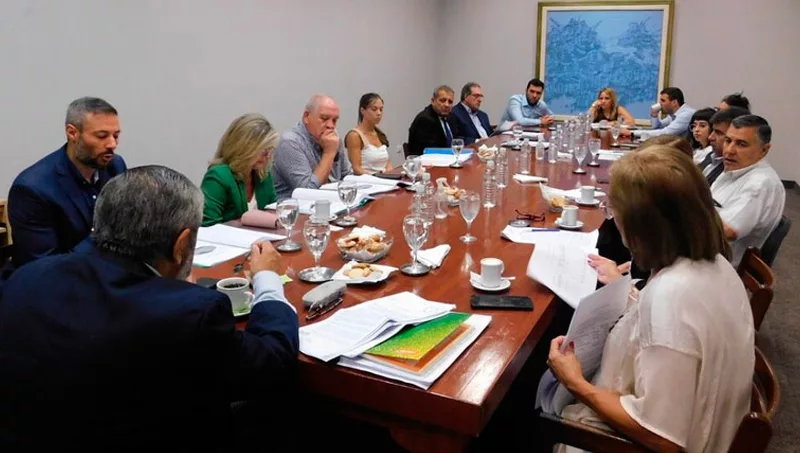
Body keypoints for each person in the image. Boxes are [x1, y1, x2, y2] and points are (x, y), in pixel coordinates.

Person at [0, 166, 299, 451]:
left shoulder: (26, 277)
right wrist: (267, 278)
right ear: (181, 245)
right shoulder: (189, 313)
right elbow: (272, 363)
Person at [548, 147, 754, 453]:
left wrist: (575, 382)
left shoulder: (672, 297)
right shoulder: (716, 264)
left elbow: (662, 437)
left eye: (613, 209)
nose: (612, 217)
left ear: (640, 224)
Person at [6, 97, 126, 272]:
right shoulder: (32, 189)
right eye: (102, 136)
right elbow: (45, 268)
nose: (112, 144)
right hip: (57, 280)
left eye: (116, 135)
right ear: (72, 133)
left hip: (107, 272)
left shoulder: (115, 166)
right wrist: (105, 232)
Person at [712, 115, 785, 266]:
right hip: (707, 253)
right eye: (728, 141)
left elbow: (728, 231)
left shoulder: (760, 184)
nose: (730, 150)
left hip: (720, 266)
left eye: (742, 144)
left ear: (764, 150)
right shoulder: (735, 169)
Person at [200, 113, 279, 226]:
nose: (268, 156)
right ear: (244, 148)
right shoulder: (218, 176)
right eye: (263, 150)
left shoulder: (262, 174)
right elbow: (208, 226)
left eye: (270, 150)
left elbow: (273, 210)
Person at [271, 95, 352, 200]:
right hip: (295, 207)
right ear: (306, 117)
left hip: (332, 202)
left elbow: (348, 175)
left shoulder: (333, 137)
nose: (331, 126)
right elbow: (308, 191)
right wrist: (329, 153)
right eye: (324, 118)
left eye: (334, 120)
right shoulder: (290, 142)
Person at [700, 106, 750, 186]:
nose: (710, 137)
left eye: (718, 133)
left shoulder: (734, 168)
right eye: (712, 131)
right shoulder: (711, 155)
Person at [344, 93, 392, 175]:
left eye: (381, 109)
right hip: (366, 179)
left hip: (384, 178)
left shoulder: (379, 134)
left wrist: (390, 175)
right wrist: (375, 178)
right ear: (363, 110)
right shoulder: (354, 135)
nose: (379, 113)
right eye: (374, 109)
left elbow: (388, 164)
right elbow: (357, 168)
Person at [407, 85, 461, 156]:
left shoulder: (451, 117)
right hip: (428, 160)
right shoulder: (424, 119)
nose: (447, 105)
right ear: (433, 101)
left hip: (449, 158)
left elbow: (456, 141)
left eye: (450, 102)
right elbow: (431, 151)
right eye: (443, 100)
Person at [626, 87, 695, 138]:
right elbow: (657, 127)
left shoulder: (686, 115)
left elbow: (666, 133)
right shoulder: (673, 115)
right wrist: (654, 115)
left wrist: (631, 133)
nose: (660, 104)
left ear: (674, 102)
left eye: (663, 101)